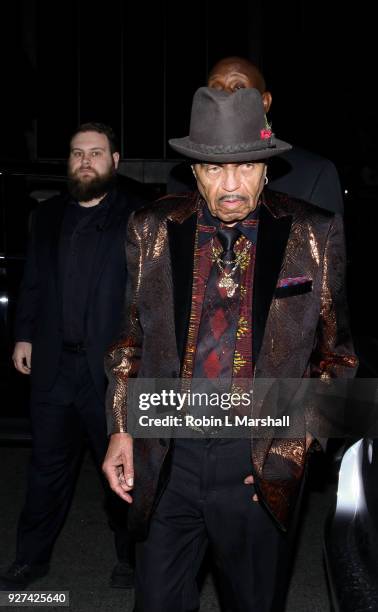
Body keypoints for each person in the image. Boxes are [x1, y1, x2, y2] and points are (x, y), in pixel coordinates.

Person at [102, 88, 357, 611]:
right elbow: (129, 343)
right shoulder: (149, 230)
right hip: (167, 454)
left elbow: (337, 359)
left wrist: (292, 445)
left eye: (245, 167)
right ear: (194, 171)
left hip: (254, 461)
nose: (231, 184)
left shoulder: (313, 233)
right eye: (215, 169)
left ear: (267, 167)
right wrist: (121, 428)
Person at [0, 122, 143, 590]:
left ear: (115, 161)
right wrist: (24, 334)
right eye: (77, 153)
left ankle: (130, 560)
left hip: (111, 374)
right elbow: (35, 282)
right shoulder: (47, 216)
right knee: (45, 469)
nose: (85, 161)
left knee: (120, 472)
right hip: (54, 369)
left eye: (96, 153)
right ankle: (30, 559)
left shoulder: (139, 217)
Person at [169, 56, 344, 215]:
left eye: (238, 87)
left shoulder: (313, 174)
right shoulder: (182, 180)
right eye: (215, 90)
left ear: (264, 102)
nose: (225, 97)